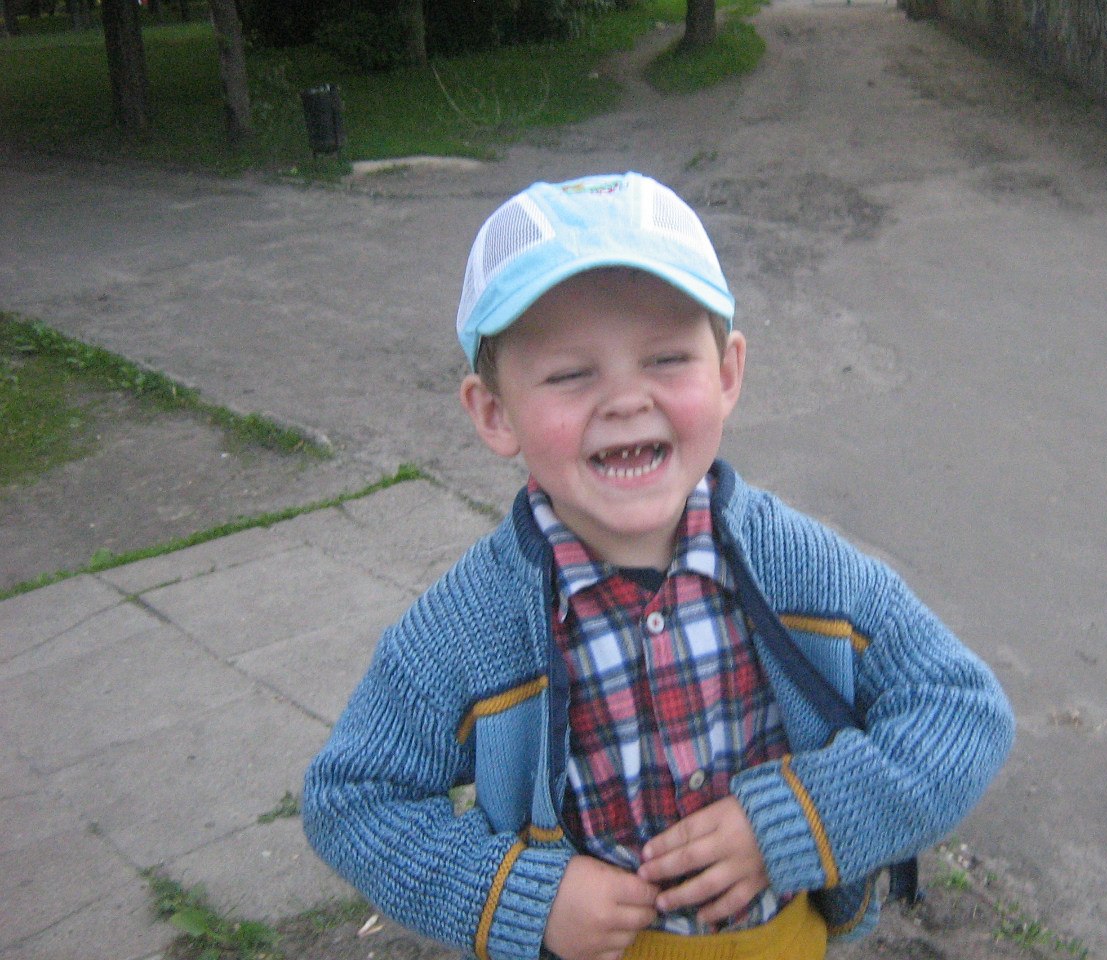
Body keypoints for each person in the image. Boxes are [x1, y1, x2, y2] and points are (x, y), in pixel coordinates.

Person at [303, 172, 1015, 960]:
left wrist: (795, 821)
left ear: (728, 374)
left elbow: (962, 710)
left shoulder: (801, 570)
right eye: (571, 375)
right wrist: (523, 896)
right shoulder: (470, 627)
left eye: (668, 360)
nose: (625, 400)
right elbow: (352, 799)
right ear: (495, 413)